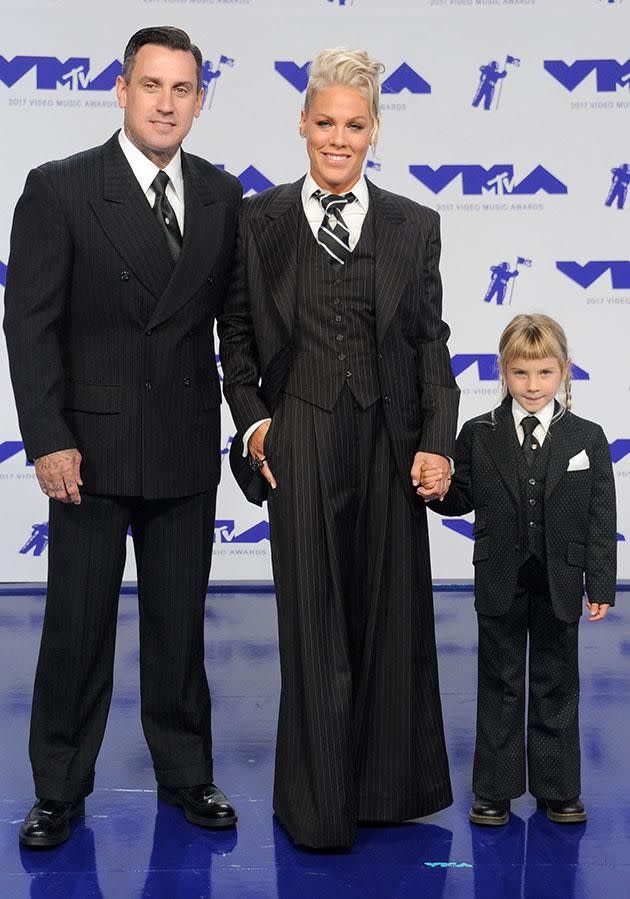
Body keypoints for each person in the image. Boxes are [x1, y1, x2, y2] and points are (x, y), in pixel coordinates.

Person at [3, 26, 242, 848]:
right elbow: (28, 325)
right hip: (89, 454)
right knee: (76, 629)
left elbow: (235, 327)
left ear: (200, 101)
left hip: (182, 444)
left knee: (180, 627)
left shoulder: (220, 194)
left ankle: (185, 773)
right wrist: (47, 437)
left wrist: (256, 423)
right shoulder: (61, 187)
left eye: (183, 90)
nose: (167, 103)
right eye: (153, 86)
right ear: (121, 89)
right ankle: (59, 789)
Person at [218, 48, 460, 850]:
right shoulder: (260, 221)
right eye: (325, 122)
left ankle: (385, 793)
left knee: (391, 622)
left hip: (390, 441)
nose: (338, 137)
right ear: (302, 122)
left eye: (355, 125)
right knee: (314, 624)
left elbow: (431, 347)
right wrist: (256, 426)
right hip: (304, 434)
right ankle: (318, 809)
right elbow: (239, 339)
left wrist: (437, 440)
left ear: (375, 131)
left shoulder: (414, 226)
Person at [428, 313, 617, 827]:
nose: (532, 386)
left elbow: (602, 516)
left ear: (565, 372)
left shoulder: (588, 437)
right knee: (500, 681)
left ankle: (558, 789)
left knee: (558, 683)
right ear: (502, 372)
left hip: (560, 578)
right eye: (520, 374)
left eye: (544, 374)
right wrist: (440, 488)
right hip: (499, 577)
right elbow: (461, 496)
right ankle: (495, 788)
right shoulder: (478, 433)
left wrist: (600, 582)